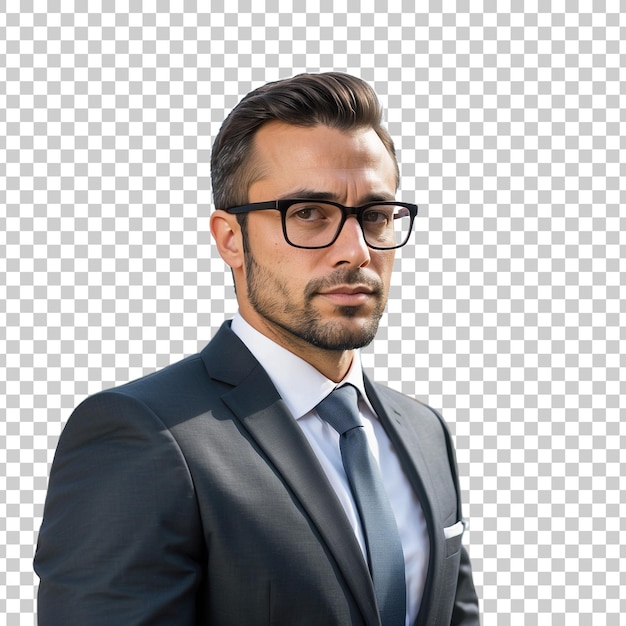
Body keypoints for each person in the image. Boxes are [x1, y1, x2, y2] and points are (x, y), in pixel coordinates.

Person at [34, 72, 479, 625]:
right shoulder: (142, 434)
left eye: (375, 215)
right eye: (309, 214)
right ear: (229, 239)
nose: (356, 250)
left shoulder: (425, 431)